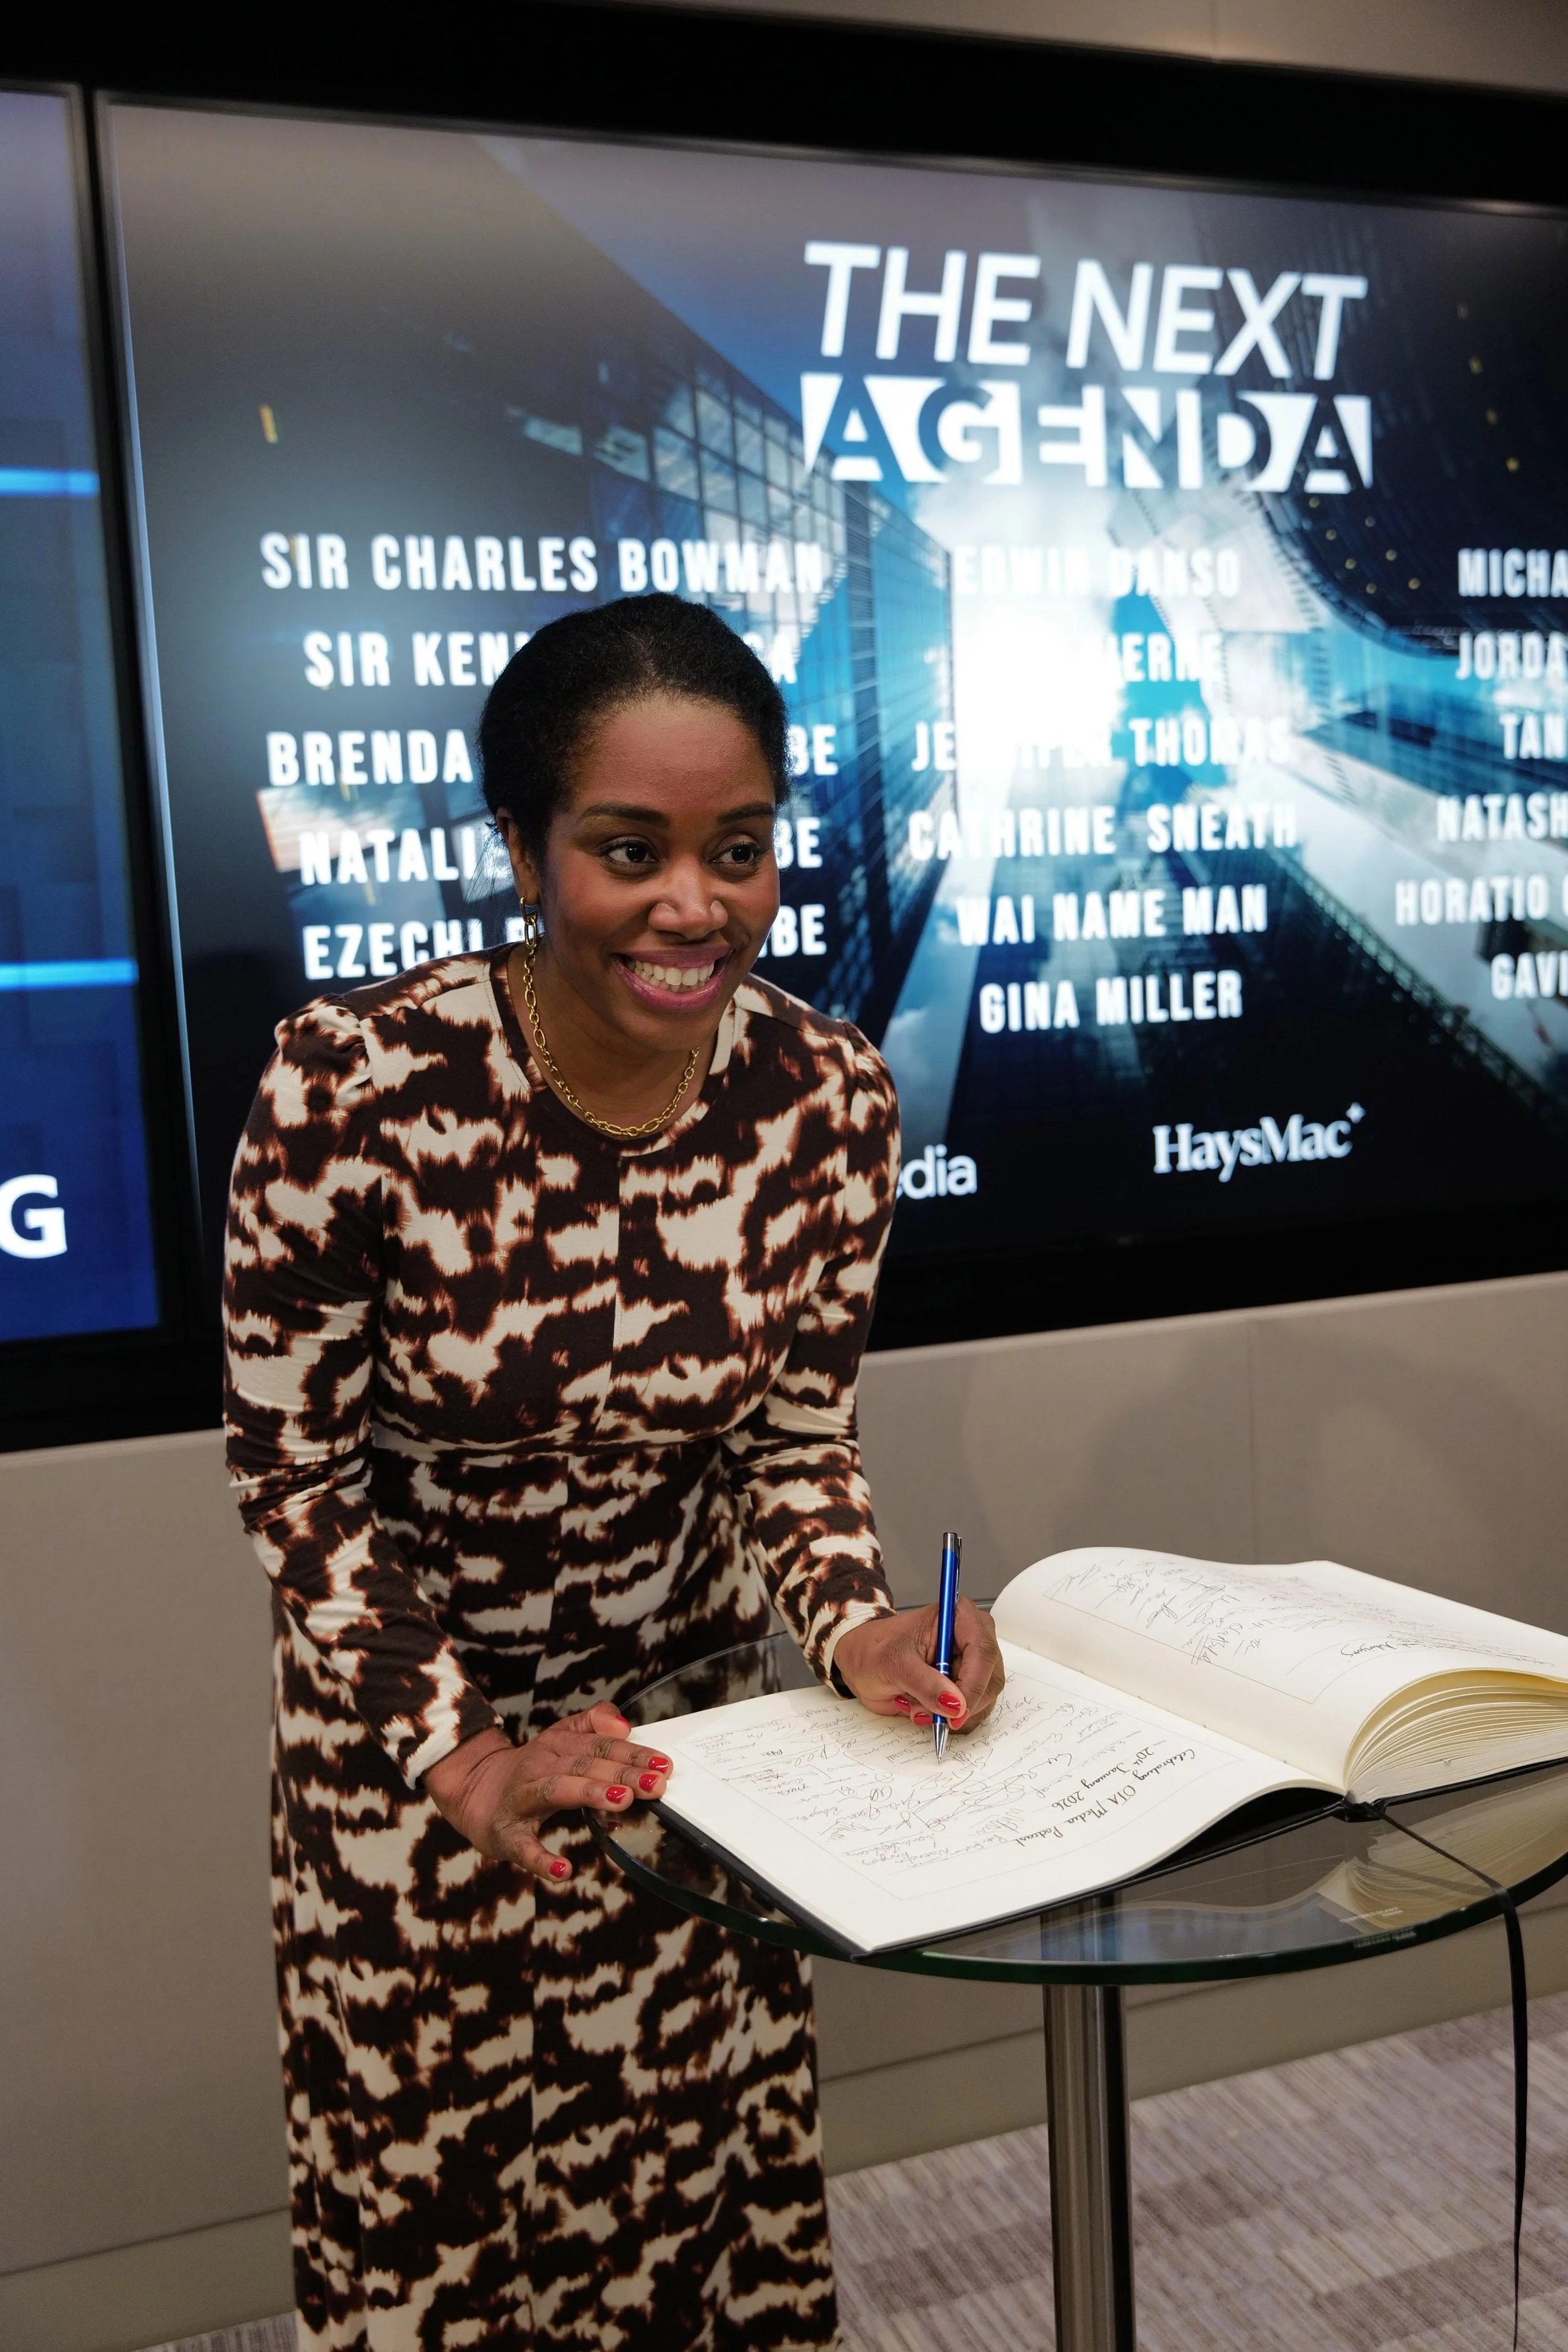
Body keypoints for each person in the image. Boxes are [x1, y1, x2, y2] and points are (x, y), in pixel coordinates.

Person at [224, 593, 1004, 2352]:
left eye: (738, 851)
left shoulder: (829, 1100)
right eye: (627, 849)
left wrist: (853, 1628)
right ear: (521, 847)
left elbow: (788, 1438)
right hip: (420, 1789)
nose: (692, 905)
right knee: (443, 2274)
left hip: (688, 1766)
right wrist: (464, 1747)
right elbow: (299, 1480)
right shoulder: (348, 1090)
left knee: (679, 2239)